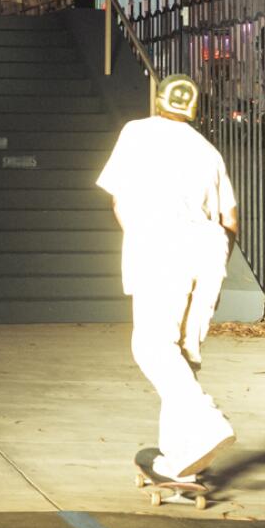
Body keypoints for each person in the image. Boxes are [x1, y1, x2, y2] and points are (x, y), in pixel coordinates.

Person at [95, 75, 238, 483]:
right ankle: (180, 462)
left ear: (158, 102)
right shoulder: (208, 151)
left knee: (151, 347)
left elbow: (120, 201)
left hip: (162, 245)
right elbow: (230, 220)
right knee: (182, 357)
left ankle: (208, 422)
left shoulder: (136, 132)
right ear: (195, 111)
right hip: (210, 250)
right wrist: (213, 271)